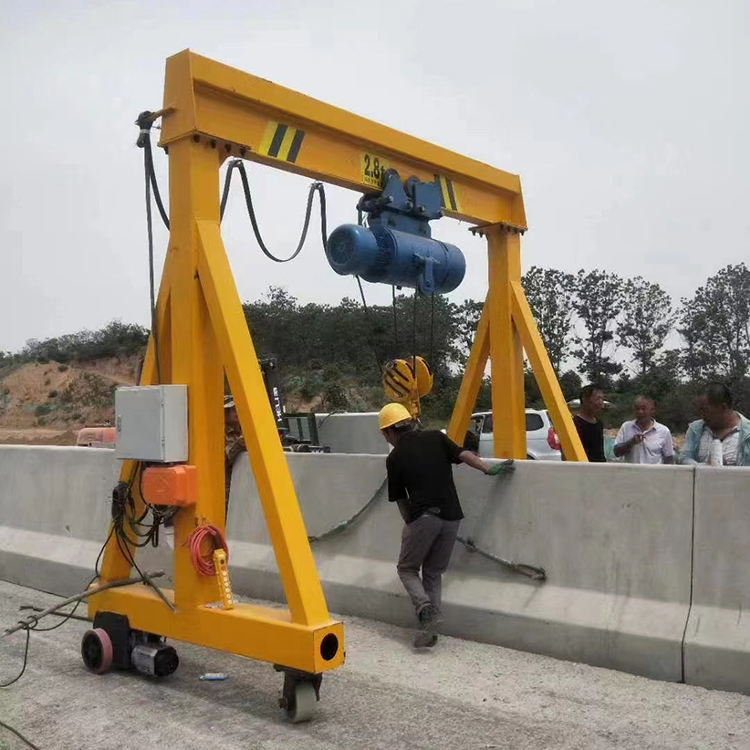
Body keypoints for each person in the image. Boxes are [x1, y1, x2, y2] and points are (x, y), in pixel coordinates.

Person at [380, 402, 512, 648]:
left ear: (387, 432)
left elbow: (400, 499)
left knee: (407, 569)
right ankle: (429, 632)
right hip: (452, 517)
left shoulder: (394, 457)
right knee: (432, 572)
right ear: (410, 422)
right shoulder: (436, 438)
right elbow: (463, 454)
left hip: (424, 517)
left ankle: (425, 607)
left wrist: (411, 523)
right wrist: (488, 469)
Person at [682, 383, 750, 466]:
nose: (701, 415)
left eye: (704, 410)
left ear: (723, 407)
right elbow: (684, 458)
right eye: (699, 411)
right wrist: (704, 467)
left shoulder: (747, 434)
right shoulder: (695, 430)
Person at [614, 396, 674, 464]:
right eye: (637, 408)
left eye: (643, 409)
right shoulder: (626, 427)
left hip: (653, 474)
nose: (640, 412)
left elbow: (669, 458)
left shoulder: (664, 431)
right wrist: (630, 443)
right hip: (631, 473)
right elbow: (616, 453)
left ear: (652, 410)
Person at [573, 384, 606, 462]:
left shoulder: (598, 423)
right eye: (598, 398)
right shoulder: (574, 424)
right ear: (585, 399)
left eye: (602, 399)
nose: (601, 403)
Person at [224, 397, 245, 509]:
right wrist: (240, 444)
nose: (237, 412)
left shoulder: (243, 429)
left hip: (243, 482)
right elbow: (224, 458)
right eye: (233, 410)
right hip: (227, 486)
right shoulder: (219, 431)